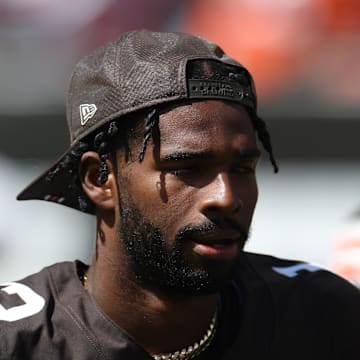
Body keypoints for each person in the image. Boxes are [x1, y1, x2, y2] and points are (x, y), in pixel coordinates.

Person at [2, 30, 359, 359]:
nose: (225, 197)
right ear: (99, 179)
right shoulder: (18, 340)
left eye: (242, 168)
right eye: (186, 168)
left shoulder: (322, 313)